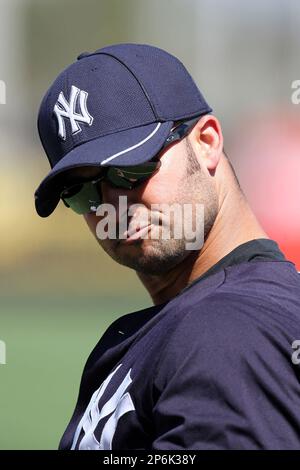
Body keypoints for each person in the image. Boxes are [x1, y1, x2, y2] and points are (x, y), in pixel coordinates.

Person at [34, 43, 300, 450]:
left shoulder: (227, 332)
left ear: (207, 141)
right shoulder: (211, 317)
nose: (113, 206)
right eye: (81, 192)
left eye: (130, 170)